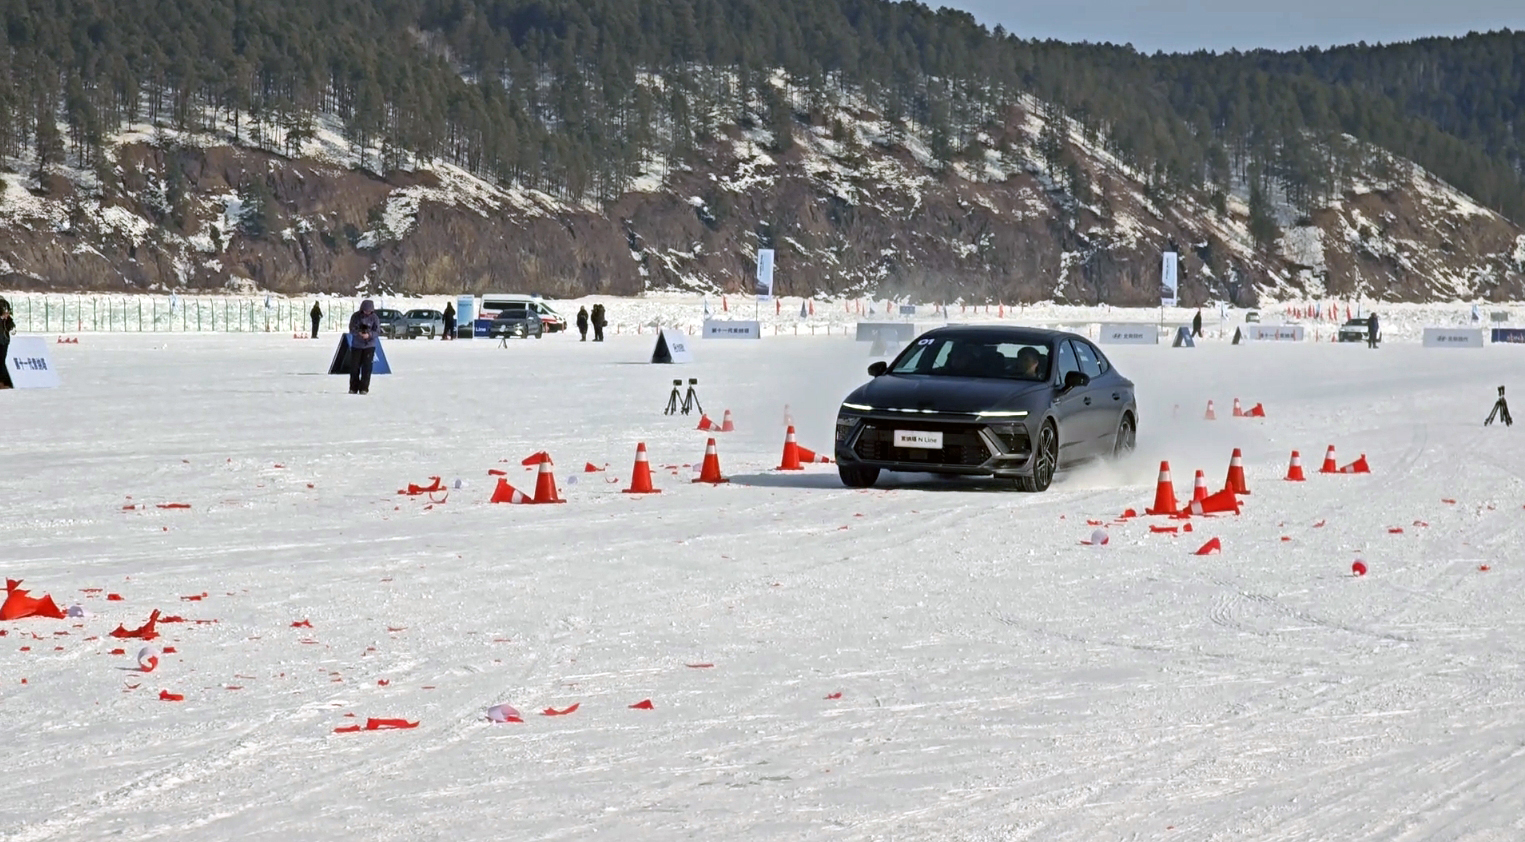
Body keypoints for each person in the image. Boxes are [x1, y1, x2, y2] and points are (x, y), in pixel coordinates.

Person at [348, 299, 381, 395]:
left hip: (369, 346)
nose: (367, 312)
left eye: (369, 311)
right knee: (354, 367)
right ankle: (353, 387)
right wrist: (358, 333)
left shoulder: (375, 318)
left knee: (367, 367)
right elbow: (351, 329)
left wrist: (369, 335)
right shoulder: (355, 317)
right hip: (357, 345)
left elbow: (378, 331)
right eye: (366, 310)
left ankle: (364, 388)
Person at [0, 298, 14, 389]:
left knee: (1, 362)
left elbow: (11, 325)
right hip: (3, 341)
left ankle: (6, 382)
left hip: (3, 342)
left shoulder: (7, 320)